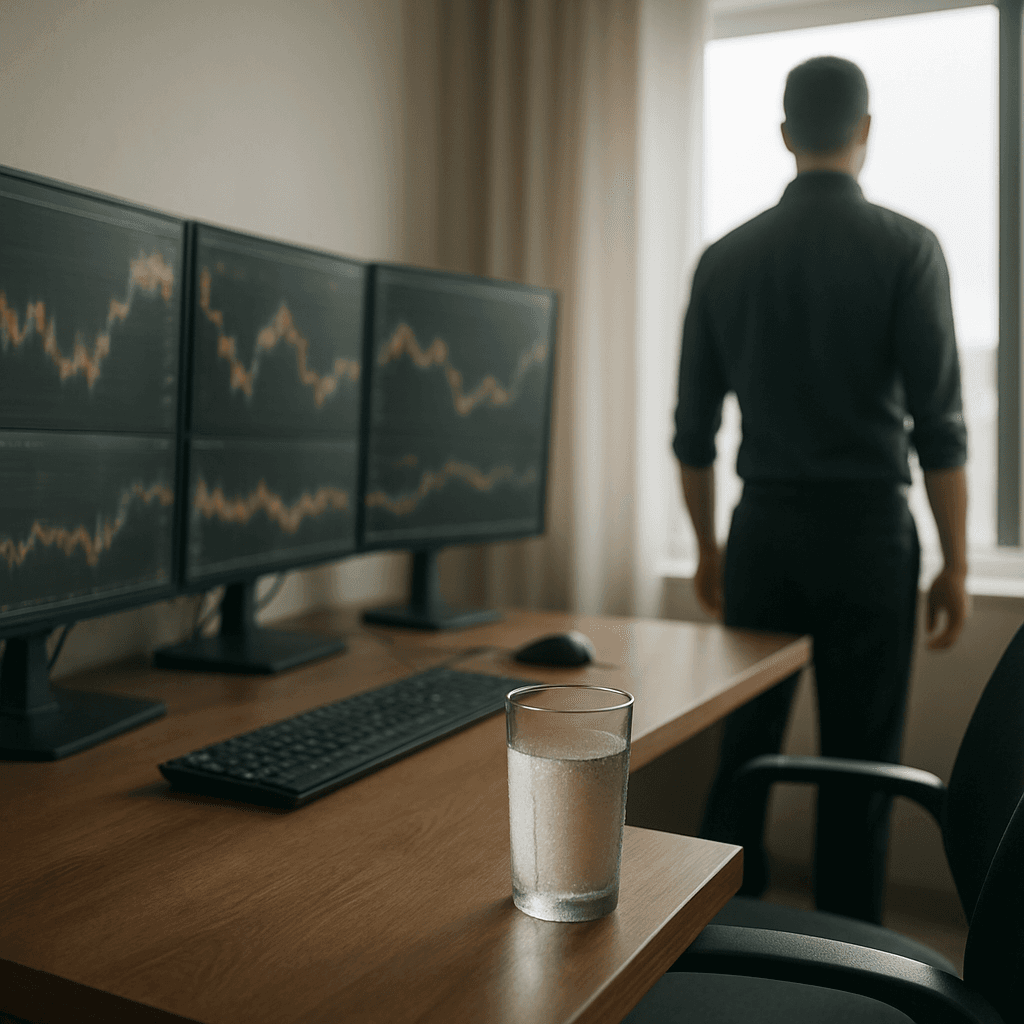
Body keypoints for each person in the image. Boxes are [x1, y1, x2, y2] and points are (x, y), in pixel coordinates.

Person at [673, 55, 969, 924]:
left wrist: (706, 548)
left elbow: (693, 436)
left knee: (745, 755)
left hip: (762, 534)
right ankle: (851, 972)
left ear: (784, 134)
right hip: (871, 539)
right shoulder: (909, 249)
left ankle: (710, 944)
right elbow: (940, 428)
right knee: (859, 771)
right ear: (866, 132)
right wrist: (954, 565)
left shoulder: (724, 259)